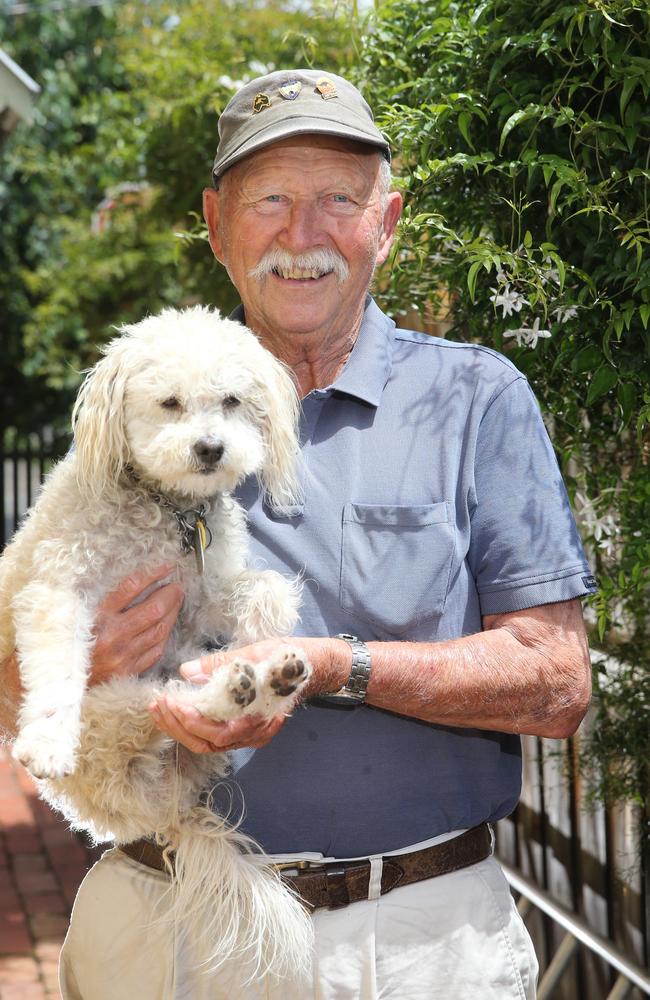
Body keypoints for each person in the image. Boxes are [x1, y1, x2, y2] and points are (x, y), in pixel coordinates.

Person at [0, 69, 597, 999]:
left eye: (337, 201)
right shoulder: (136, 404)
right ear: (215, 226)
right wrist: (65, 666)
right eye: (270, 200)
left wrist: (335, 667)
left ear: (387, 221)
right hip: (166, 927)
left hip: (417, 942)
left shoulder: (476, 400)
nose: (302, 234)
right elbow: (21, 655)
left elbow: (558, 685)